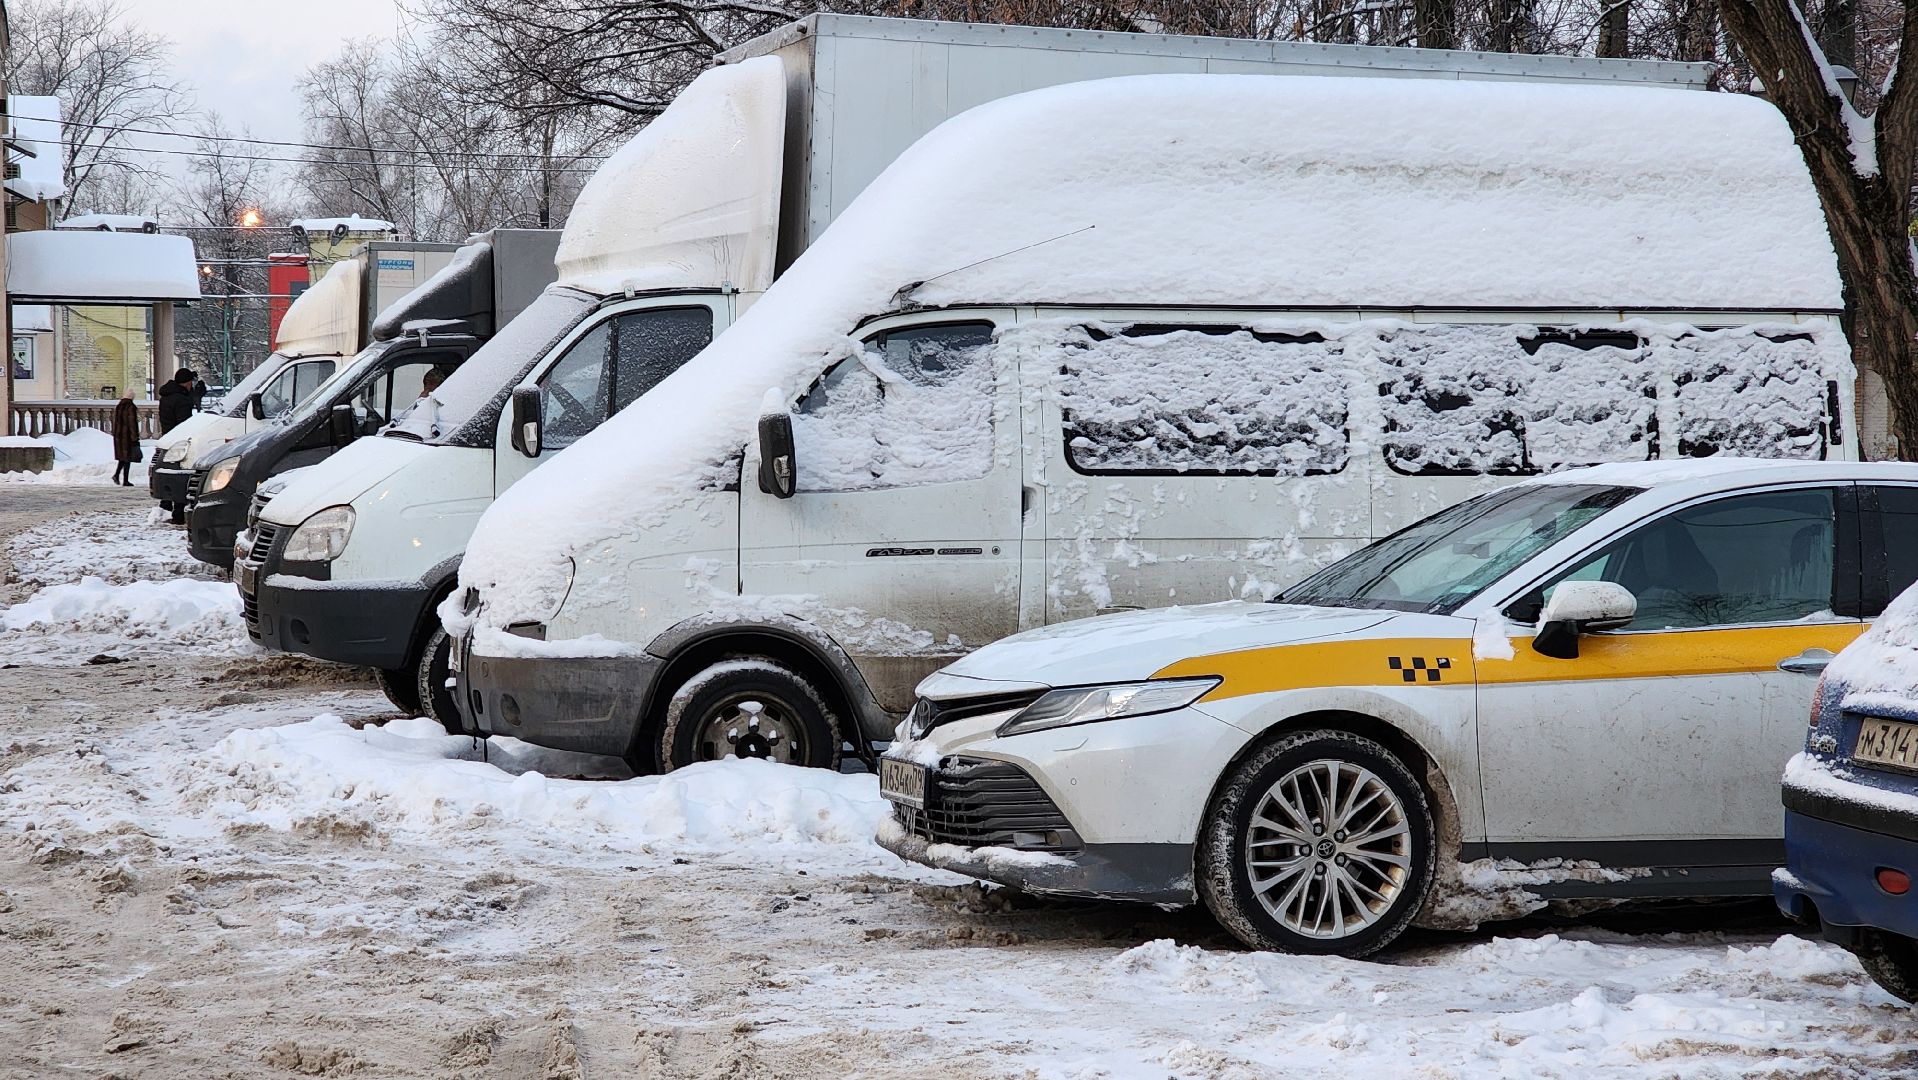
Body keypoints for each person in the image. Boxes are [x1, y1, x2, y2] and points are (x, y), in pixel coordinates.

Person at [110, 391, 141, 487]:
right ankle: (125, 480)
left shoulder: (119, 406)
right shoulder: (130, 407)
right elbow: (132, 423)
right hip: (127, 436)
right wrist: (135, 437)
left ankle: (116, 475)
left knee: (123, 458)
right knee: (127, 458)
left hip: (119, 436)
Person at [156, 368, 198, 433]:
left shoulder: (166, 395)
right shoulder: (181, 399)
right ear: (188, 383)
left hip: (167, 434)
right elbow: (184, 423)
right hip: (178, 437)